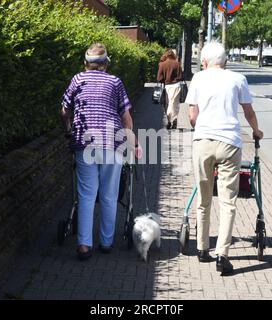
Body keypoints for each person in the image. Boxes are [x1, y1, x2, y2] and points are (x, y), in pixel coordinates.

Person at [185, 42, 263, 275]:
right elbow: (248, 112)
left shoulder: (198, 78)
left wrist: (201, 128)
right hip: (230, 143)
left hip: (203, 142)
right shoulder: (238, 79)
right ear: (225, 61)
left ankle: (202, 249)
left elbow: (191, 115)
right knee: (228, 201)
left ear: (205, 61)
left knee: (204, 197)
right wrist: (256, 131)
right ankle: (223, 255)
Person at [61, 43, 139, 261]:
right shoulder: (115, 81)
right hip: (112, 143)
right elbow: (125, 117)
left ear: (85, 63)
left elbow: (65, 110)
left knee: (86, 195)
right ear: (106, 64)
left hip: (84, 143)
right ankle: (106, 242)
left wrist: (69, 130)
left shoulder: (78, 79)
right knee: (109, 194)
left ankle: (84, 245)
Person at [157, 49, 184, 130]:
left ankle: (169, 121)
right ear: (173, 55)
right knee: (175, 104)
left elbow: (159, 78)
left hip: (167, 86)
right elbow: (181, 77)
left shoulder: (162, 64)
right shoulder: (177, 64)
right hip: (176, 86)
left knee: (167, 104)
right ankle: (174, 120)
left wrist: (165, 80)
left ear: (166, 55)